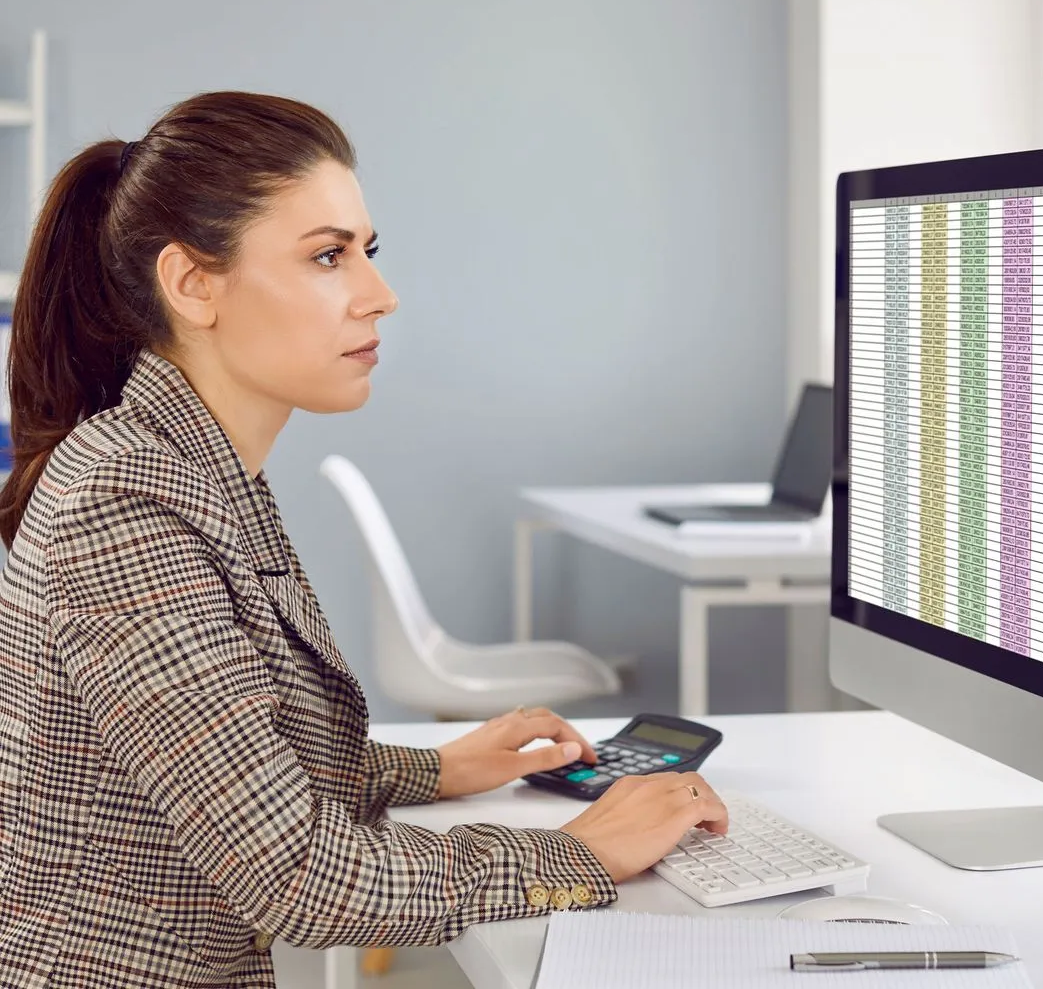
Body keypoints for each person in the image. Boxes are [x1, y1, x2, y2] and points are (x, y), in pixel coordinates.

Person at [0, 91, 728, 988]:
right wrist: (576, 856)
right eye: (327, 257)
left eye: (367, 252)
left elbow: (228, 760)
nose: (378, 296)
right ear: (193, 284)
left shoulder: (193, 465)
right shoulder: (127, 503)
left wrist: (431, 770)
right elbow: (297, 877)